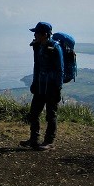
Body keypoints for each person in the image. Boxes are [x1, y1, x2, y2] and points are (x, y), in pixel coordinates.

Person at [20, 22, 64, 150]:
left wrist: (58, 88)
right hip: (40, 86)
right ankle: (34, 139)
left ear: (44, 34)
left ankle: (49, 142)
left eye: (37, 33)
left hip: (51, 87)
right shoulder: (39, 46)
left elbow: (60, 70)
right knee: (34, 113)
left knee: (51, 115)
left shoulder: (55, 47)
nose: (34, 35)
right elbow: (37, 66)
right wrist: (34, 83)